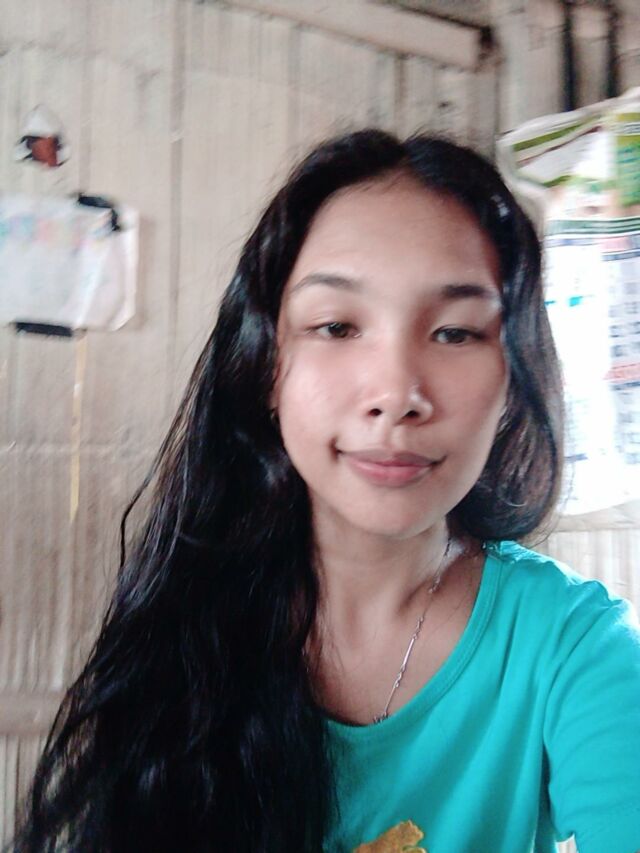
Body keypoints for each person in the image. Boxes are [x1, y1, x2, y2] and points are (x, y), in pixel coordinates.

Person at [13, 130, 640, 853]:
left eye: (455, 333)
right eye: (337, 326)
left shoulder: (574, 648)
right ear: (266, 367)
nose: (396, 393)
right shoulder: (186, 618)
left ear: (512, 381)